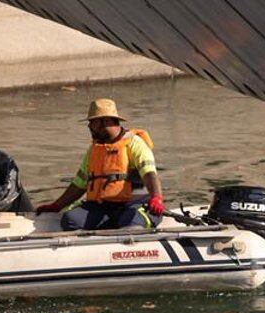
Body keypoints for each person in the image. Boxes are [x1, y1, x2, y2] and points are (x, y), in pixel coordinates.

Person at [34, 99, 167, 231]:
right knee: (70, 219)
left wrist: (157, 198)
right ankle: (110, 229)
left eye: (93, 122)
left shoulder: (134, 143)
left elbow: (149, 173)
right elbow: (79, 184)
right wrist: (57, 205)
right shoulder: (94, 149)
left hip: (134, 206)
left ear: (106, 121)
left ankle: (130, 229)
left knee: (131, 227)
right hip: (103, 208)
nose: (89, 126)